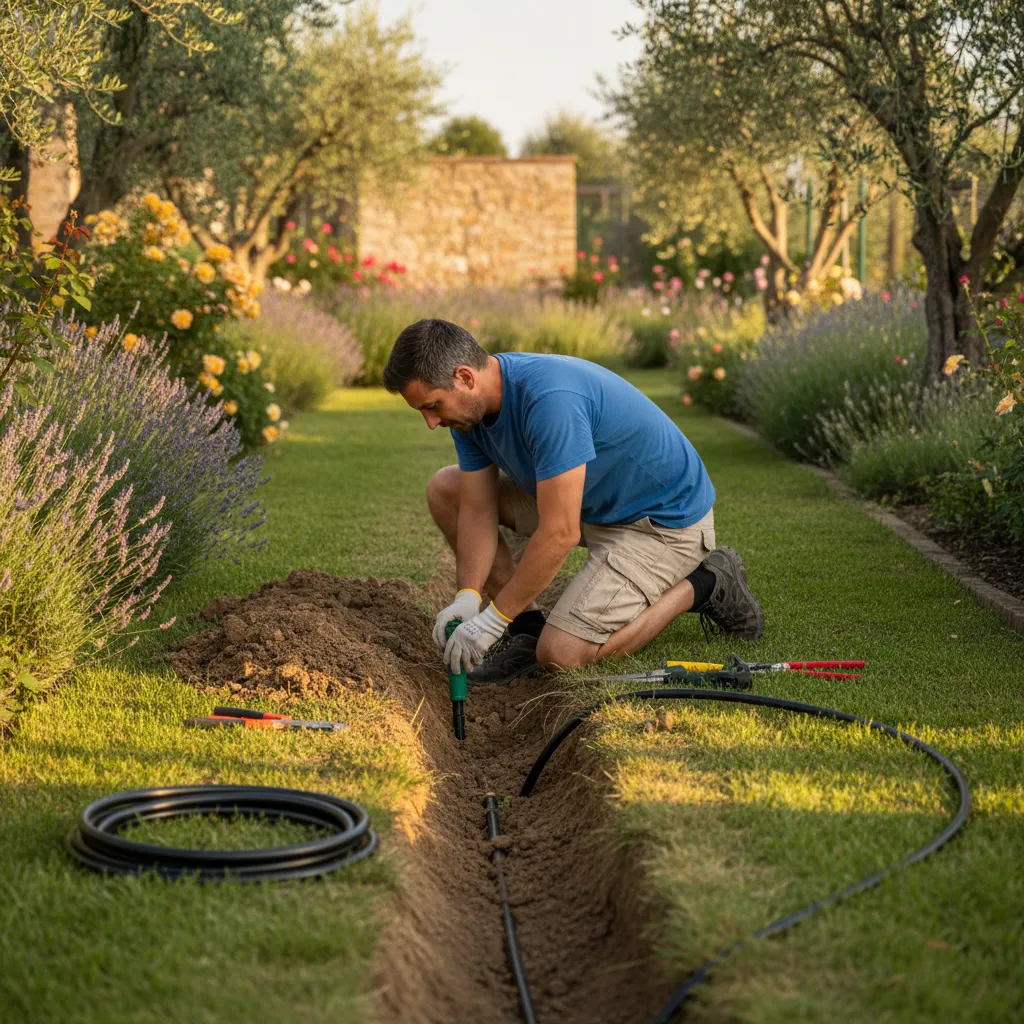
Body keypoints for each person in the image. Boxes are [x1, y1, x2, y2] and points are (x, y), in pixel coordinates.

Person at [382, 318, 764, 684]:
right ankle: (525, 630)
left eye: (432, 406)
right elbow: (477, 508)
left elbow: (559, 533)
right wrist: (469, 597)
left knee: (562, 653)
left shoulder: (549, 400)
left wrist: (492, 619)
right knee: (446, 489)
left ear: (465, 377)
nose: (431, 422)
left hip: (660, 523)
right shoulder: (469, 412)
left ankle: (708, 581)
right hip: (590, 501)